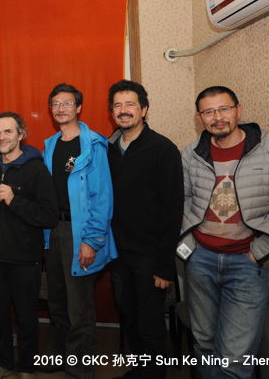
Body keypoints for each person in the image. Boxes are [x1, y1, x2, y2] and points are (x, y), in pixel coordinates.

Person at [177, 86, 269, 379]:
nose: (217, 117)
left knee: (235, 357)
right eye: (209, 112)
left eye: (224, 109)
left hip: (247, 264)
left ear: (238, 110)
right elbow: (182, 200)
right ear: (199, 118)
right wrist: (189, 244)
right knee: (203, 342)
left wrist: (264, 251)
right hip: (201, 261)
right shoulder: (191, 154)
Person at [106, 80, 183, 379]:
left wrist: (165, 267)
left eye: (130, 104)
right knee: (130, 318)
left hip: (151, 256)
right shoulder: (108, 150)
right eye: (117, 105)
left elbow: (172, 210)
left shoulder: (163, 149)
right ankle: (139, 372)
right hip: (118, 253)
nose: (123, 111)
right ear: (111, 112)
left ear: (144, 109)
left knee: (150, 324)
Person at [42, 83, 116, 379]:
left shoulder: (94, 145)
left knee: (79, 308)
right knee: (57, 302)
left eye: (67, 103)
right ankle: (64, 357)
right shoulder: (49, 145)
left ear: (79, 108)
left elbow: (103, 197)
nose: (61, 108)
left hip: (80, 232)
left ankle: (81, 371)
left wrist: (92, 241)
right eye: (55, 103)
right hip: (53, 231)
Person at [0, 112, 58, 379]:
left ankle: (26, 367)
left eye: (8, 131)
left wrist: (14, 199)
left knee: (26, 317)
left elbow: (49, 216)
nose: (2, 137)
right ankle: (1, 362)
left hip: (25, 258)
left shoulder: (36, 169)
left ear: (21, 134)